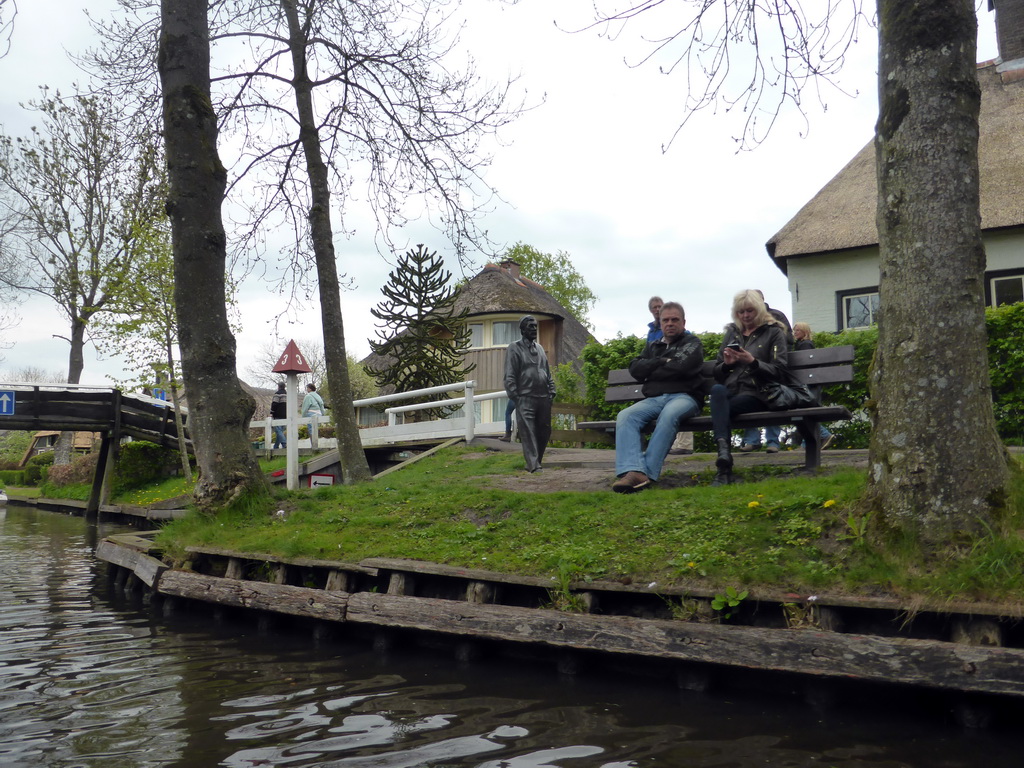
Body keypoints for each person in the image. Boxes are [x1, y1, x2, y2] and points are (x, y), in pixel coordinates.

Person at [612, 302, 705, 493]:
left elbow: (681, 367)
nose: (670, 323)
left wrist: (652, 369)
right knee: (626, 416)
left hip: (685, 397)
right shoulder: (653, 346)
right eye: (666, 320)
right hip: (655, 399)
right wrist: (662, 361)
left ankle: (643, 473)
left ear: (683, 322)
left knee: (669, 415)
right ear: (660, 323)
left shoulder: (693, 343)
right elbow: (636, 369)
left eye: (674, 319)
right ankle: (633, 470)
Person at [709, 290, 790, 486]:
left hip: (759, 394)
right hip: (731, 393)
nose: (745, 316)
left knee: (721, 409)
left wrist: (753, 362)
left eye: (750, 311)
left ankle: (723, 466)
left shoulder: (774, 331)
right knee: (717, 391)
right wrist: (727, 365)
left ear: (759, 310)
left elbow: (780, 371)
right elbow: (717, 373)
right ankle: (724, 457)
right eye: (741, 312)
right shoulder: (732, 332)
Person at [739, 289, 794, 454]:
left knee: (772, 392)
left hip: (771, 367)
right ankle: (751, 440)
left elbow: (788, 339)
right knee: (745, 392)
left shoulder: (777, 316)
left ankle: (772, 441)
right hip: (750, 370)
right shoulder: (743, 322)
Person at [503, 316, 556, 472]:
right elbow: (509, 374)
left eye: (535, 326)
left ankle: (536, 461)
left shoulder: (539, 348)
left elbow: (547, 371)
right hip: (525, 397)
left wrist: (552, 390)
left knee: (544, 431)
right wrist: (515, 396)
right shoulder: (514, 347)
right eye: (530, 326)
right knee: (528, 432)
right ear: (522, 329)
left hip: (544, 397)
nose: (534, 328)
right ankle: (533, 465)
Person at [793, 322, 835, 450]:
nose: (795, 332)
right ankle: (807, 443)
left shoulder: (805, 344)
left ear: (805, 331)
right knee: (804, 412)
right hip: (809, 382)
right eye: (794, 330)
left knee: (805, 411)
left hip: (808, 383)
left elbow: (805, 365)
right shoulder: (802, 344)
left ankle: (823, 434)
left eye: (798, 330)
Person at [270, 381, 287, 449]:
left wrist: (272, 412)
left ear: (278, 387)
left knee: (278, 430)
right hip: (285, 415)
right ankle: (276, 446)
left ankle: (284, 443)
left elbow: (274, 404)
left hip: (278, 414)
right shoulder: (287, 394)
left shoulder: (277, 394)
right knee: (280, 432)